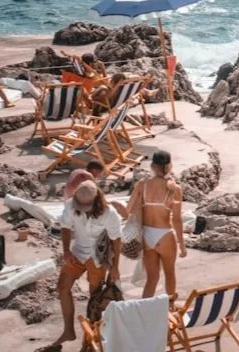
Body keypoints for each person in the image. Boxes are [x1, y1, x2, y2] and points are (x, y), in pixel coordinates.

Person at [47, 180, 121, 351]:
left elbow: (117, 240)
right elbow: (65, 227)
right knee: (62, 287)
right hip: (78, 252)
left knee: (95, 298)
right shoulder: (70, 205)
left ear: (96, 200)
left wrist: (115, 267)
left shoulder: (109, 213)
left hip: (98, 256)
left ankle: (90, 340)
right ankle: (68, 330)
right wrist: (66, 250)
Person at [126, 150, 186, 300]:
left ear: (152, 166)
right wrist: (182, 244)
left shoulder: (142, 184)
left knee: (152, 279)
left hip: (147, 235)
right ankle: (170, 309)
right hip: (164, 234)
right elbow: (177, 220)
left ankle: (144, 311)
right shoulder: (174, 189)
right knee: (169, 273)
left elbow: (128, 209)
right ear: (169, 166)